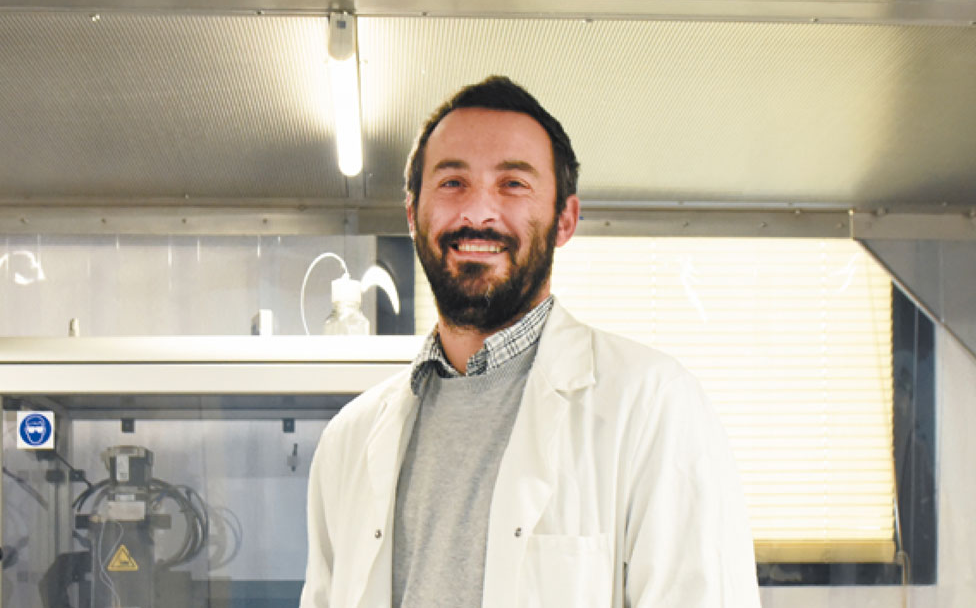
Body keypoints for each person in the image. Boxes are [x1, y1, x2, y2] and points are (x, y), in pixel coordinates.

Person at [300, 75, 761, 607]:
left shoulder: (654, 406)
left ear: (565, 220)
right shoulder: (348, 441)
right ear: (412, 214)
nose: (477, 212)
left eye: (513, 184)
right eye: (452, 182)